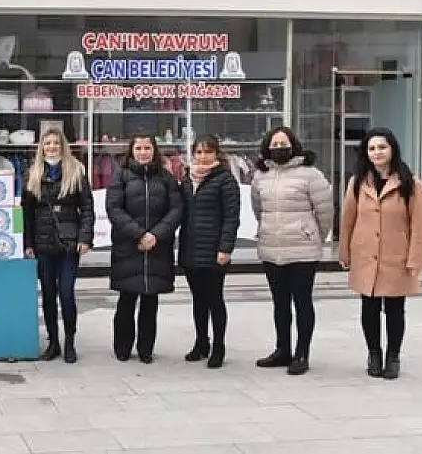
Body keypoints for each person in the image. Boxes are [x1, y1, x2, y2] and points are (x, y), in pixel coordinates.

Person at [339, 127, 422, 380]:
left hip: (396, 257)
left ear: (392, 149)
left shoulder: (410, 183)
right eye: (371, 148)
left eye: (382, 147)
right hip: (365, 255)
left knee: (394, 309)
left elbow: (419, 225)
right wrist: (345, 252)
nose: (377, 152)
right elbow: (348, 220)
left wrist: (415, 259)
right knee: (368, 308)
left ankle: (393, 356)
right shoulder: (357, 183)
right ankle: (374, 354)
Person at [250, 126, 334, 375]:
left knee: (302, 302)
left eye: (283, 143)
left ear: (293, 145)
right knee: (280, 303)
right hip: (271, 247)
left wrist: (314, 234)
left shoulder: (310, 175)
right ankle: (282, 349)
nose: (279, 148)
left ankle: (302, 353)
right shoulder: (260, 176)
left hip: (302, 250)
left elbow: (325, 211)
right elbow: (258, 209)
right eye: (274, 145)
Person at [106, 134, 183, 364]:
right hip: (128, 247)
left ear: (154, 150)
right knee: (126, 301)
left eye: (147, 147)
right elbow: (114, 209)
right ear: (131, 151)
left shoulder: (166, 178)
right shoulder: (121, 176)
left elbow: (176, 209)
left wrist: (155, 235)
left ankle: (146, 349)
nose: (143, 152)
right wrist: (139, 234)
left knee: (150, 303)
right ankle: (122, 347)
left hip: (158, 248)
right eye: (138, 148)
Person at [21, 128, 94, 363]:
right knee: (49, 294)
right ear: (41, 147)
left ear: (63, 145)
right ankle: (53, 343)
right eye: (47, 143)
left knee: (66, 292)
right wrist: (28, 243)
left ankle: (70, 341)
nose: (51, 147)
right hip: (42, 244)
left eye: (55, 143)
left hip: (68, 243)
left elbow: (87, 209)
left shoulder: (76, 171)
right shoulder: (33, 173)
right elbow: (26, 213)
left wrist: (85, 238)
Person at [178, 134, 240, 369]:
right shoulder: (186, 178)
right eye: (199, 152)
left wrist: (225, 248)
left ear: (217, 154)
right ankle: (201, 342)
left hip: (214, 251)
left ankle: (219, 346)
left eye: (208, 152)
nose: (203, 157)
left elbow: (231, 217)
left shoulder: (225, 180)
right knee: (198, 300)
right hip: (191, 249)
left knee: (214, 299)